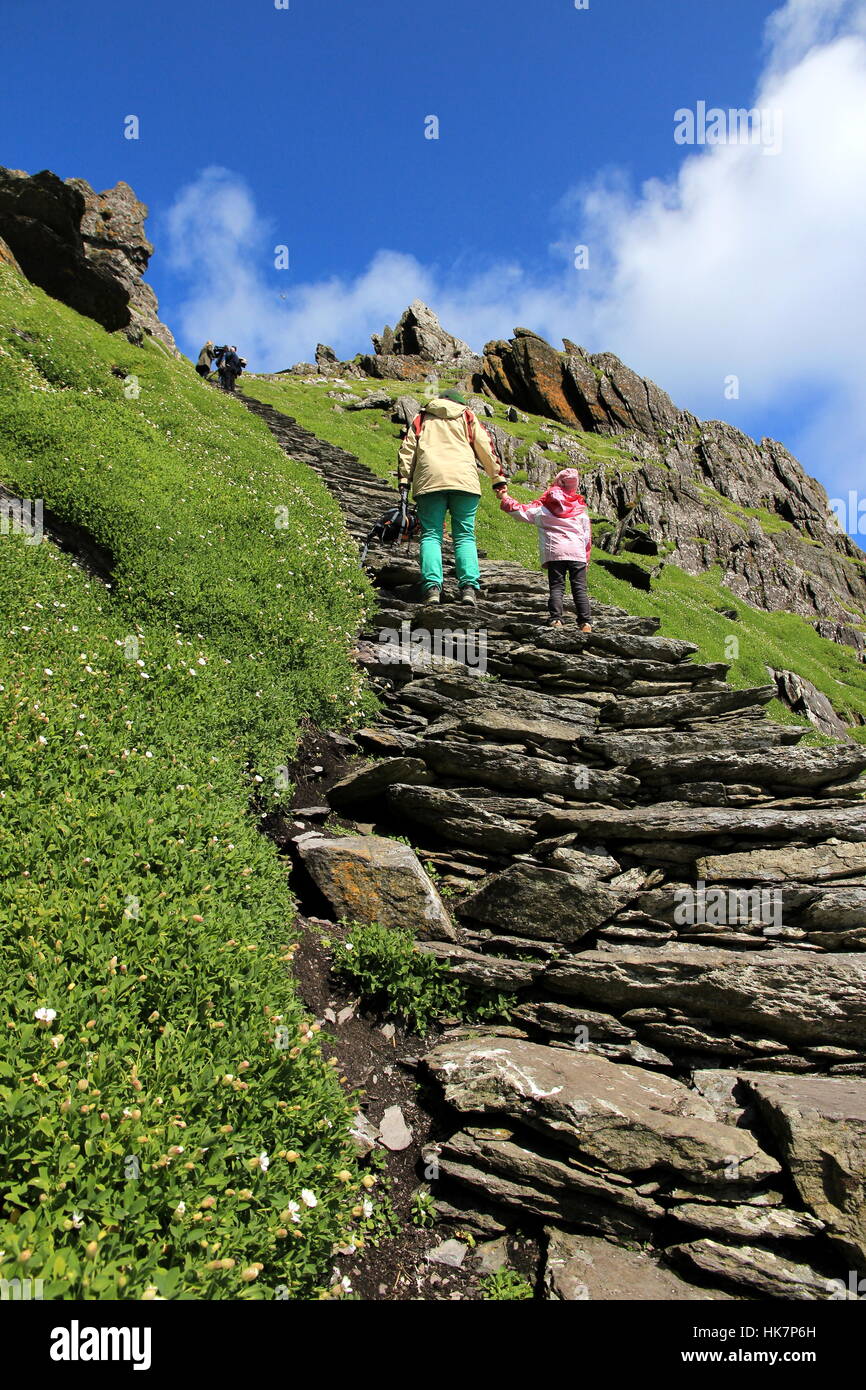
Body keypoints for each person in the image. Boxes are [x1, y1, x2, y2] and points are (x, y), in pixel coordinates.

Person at [397, 389, 506, 605]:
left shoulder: (423, 417)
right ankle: (468, 588)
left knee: (431, 535)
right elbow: (485, 446)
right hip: (464, 480)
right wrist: (497, 479)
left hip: (430, 480)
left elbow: (407, 449)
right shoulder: (467, 415)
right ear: (459, 402)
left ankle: (432, 589)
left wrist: (403, 481)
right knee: (465, 535)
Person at [498, 468, 592, 630]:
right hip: (577, 553)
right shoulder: (580, 510)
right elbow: (586, 536)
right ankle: (585, 622)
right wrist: (586, 558)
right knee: (579, 588)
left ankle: (556, 619)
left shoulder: (543, 508)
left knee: (557, 586)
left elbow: (519, 510)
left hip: (555, 552)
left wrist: (504, 496)